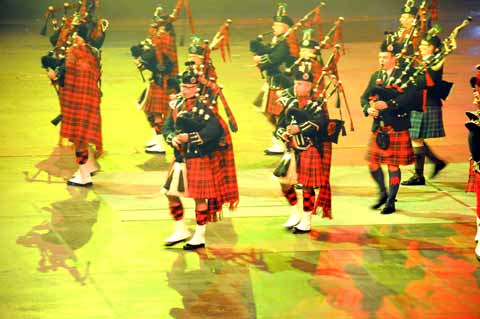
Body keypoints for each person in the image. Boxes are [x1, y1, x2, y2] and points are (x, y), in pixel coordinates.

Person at [161, 66, 236, 250]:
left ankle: (200, 235)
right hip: (180, 158)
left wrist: (191, 138)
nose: (185, 90)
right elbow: (167, 127)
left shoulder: (204, 108)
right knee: (170, 194)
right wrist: (172, 138)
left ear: (196, 88)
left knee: (199, 198)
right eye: (183, 86)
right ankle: (180, 229)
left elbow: (214, 131)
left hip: (197, 157)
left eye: (189, 87)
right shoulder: (176, 105)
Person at [360, 40, 422, 214]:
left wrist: (389, 104)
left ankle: (390, 201)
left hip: (396, 125)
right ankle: (382, 192)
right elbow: (364, 97)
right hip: (379, 126)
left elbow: (410, 97)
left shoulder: (405, 75)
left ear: (394, 58)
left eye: (385, 57)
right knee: (372, 163)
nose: (382, 60)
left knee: (393, 166)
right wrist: (368, 108)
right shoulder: (375, 76)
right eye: (380, 57)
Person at [275, 69, 332, 233]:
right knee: (284, 183)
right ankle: (295, 212)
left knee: (307, 187)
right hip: (292, 149)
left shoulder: (317, 105)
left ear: (309, 86)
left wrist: (298, 129)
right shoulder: (290, 104)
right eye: (295, 84)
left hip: (309, 149)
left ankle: (306, 220)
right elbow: (279, 125)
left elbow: (320, 125)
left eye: (299, 84)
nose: (296, 87)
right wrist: (283, 134)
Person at [52, 20, 103, 187]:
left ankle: (83, 175)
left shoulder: (74, 52)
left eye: (76, 35)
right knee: (84, 136)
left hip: (77, 101)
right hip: (91, 99)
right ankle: (88, 167)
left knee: (79, 139)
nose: (74, 37)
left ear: (81, 37)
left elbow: (67, 75)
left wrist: (55, 77)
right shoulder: (93, 52)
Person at [250, 2, 299, 155]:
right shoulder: (278, 40)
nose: (273, 27)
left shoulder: (285, 42)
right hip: (272, 82)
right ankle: (281, 138)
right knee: (267, 111)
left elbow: (276, 58)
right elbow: (271, 52)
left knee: (279, 114)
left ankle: (282, 141)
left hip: (281, 83)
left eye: (277, 25)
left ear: (286, 27)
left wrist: (260, 59)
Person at [402, 33, 449, 185]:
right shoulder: (424, 61)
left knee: (415, 137)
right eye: (421, 45)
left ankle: (419, 175)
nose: (422, 47)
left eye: (426, 46)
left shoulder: (435, 62)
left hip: (426, 103)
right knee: (415, 137)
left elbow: (427, 82)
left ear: (434, 49)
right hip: (419, 102)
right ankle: (435, 163)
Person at [133, 6, 180, 154]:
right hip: (159, 79)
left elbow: (164, 63)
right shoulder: (162, 36)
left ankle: (160, 142)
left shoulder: (165, 37)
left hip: (164, 81)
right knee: (150, 111)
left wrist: (144, 61)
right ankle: (156, 137)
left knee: (157, 113)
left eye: (156, 21)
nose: (153, 25)